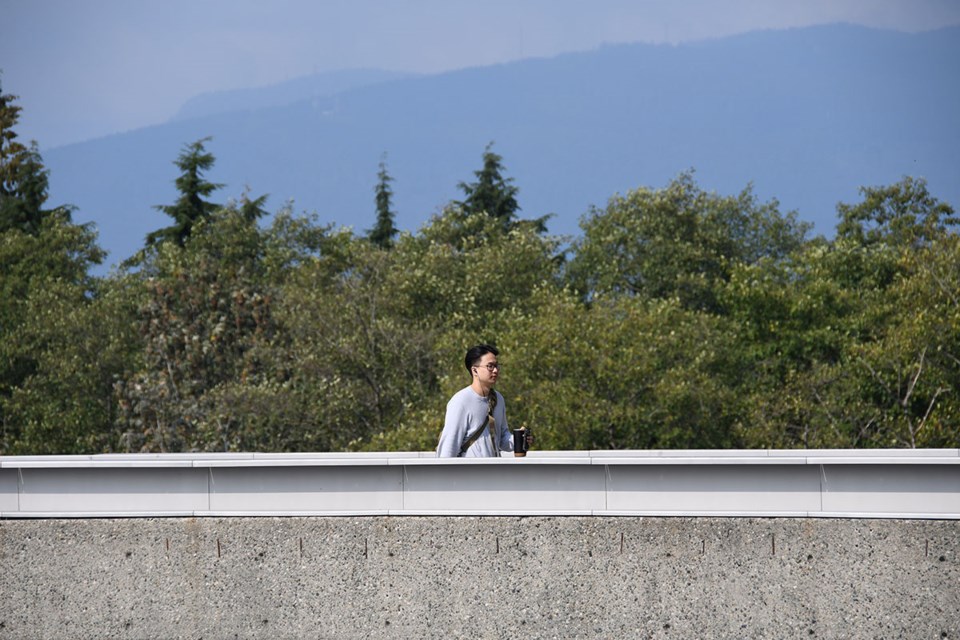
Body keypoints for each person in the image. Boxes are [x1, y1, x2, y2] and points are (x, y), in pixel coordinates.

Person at [436, 344, 527, 458]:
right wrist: (444, 474)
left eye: (497, 366)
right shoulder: (460, 401)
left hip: (494, 472)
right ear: (475, 370)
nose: (495, 370)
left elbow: (502, 438)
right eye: (490, 366)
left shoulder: (498, 399)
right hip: (469, 473)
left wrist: (520, 440)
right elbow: (449, 446)